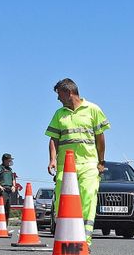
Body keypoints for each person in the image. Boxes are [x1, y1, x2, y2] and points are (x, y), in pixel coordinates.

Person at [44, 78, 108, 244]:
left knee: (88, 199)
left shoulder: (93, 110)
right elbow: (53, 139)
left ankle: (84, 240)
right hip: (64, 166)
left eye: (59, 95)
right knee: (61, 201)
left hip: (88, 164)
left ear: (68, 92)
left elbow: (100, 137)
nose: (58, 99)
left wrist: (101, 161)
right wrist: (52, 159)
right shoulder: (59, 114)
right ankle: (65, 238)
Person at [0, 154, 21, 221]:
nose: (10, 161)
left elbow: (13, 178)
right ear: (5, 160)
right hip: (2, 191)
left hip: (9, 191)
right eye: (9, 160)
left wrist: (13, 186)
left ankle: (4, 227)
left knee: (7, 210)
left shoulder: (10, 169)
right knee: (0, 209)